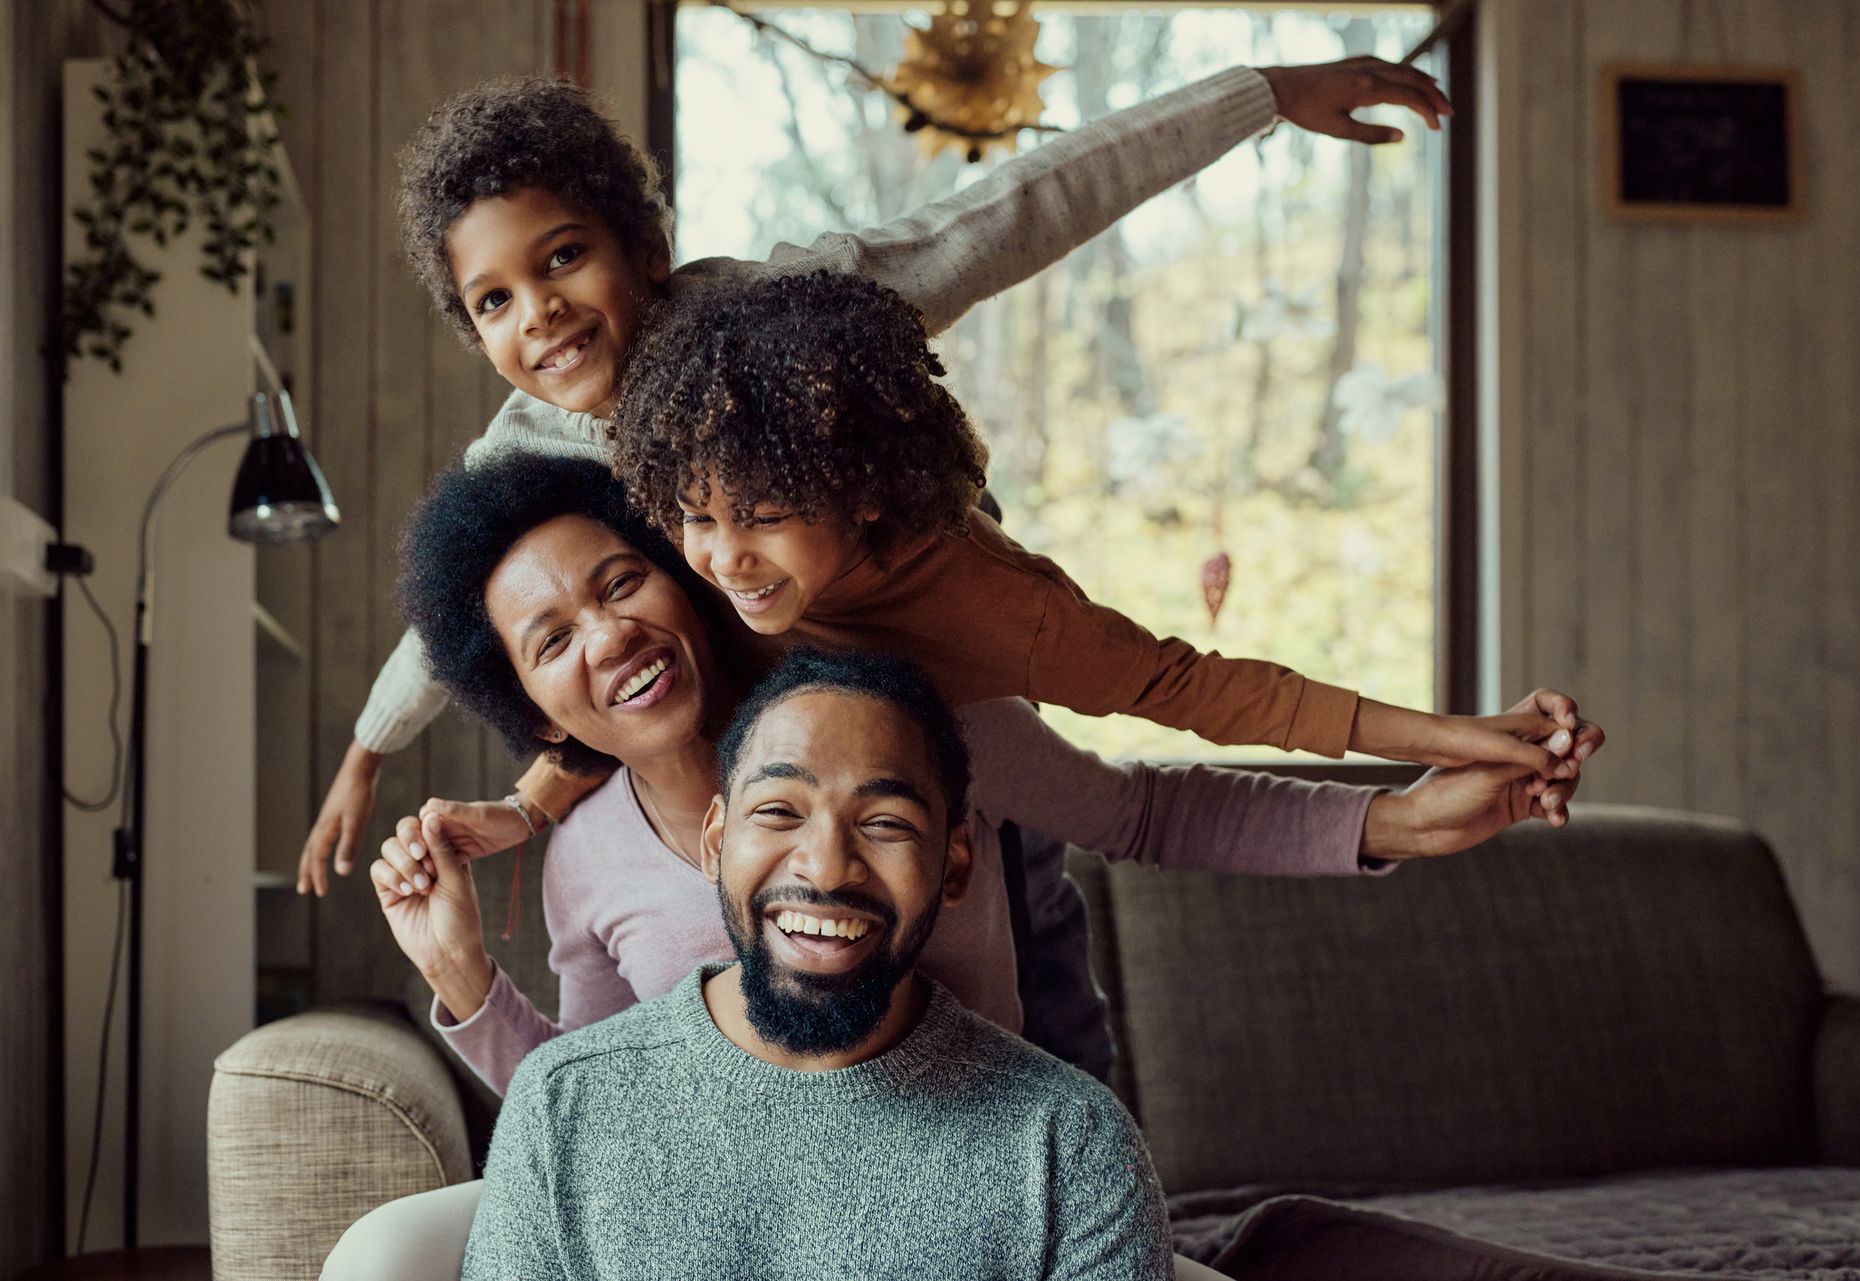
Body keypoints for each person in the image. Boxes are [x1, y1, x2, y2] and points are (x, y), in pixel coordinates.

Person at [319, 453, 1600, 1279]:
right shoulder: (584, 852)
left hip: (966, 1195)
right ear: (534, 703)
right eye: (553, 639)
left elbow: (1148, 814)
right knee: (384, 1257)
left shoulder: (913, 731)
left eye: (622, 582)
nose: (611, 636)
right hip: (722, 1226)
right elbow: (595, 1103)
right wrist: (469, 984)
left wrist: (1403, 819)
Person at [299, 58, 1459, 895]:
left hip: (958, 647)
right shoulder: (524, 459)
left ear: (640, 248)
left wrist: (1258, 96)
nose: (539, 311)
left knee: (1045, 899)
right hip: (830, 738)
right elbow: (456, 627)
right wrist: (366, 755)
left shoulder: (788, 316)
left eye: (563, 258)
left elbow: (1014, 212)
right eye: (494, 300)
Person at [612, 269, 1575, 780]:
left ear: (861, 493)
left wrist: (1460, 738)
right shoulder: (691, 552)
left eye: (766, 519)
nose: (722, 555)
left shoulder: (1011, 613)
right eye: (696, 516)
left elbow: (1212, 692)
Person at [462, 648, 1173, 1279]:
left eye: (886, 823)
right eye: (778, 810)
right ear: (716, 842)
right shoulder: (559, 1104)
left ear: (954, 865)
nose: (828, 868)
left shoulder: (1070, 1142)